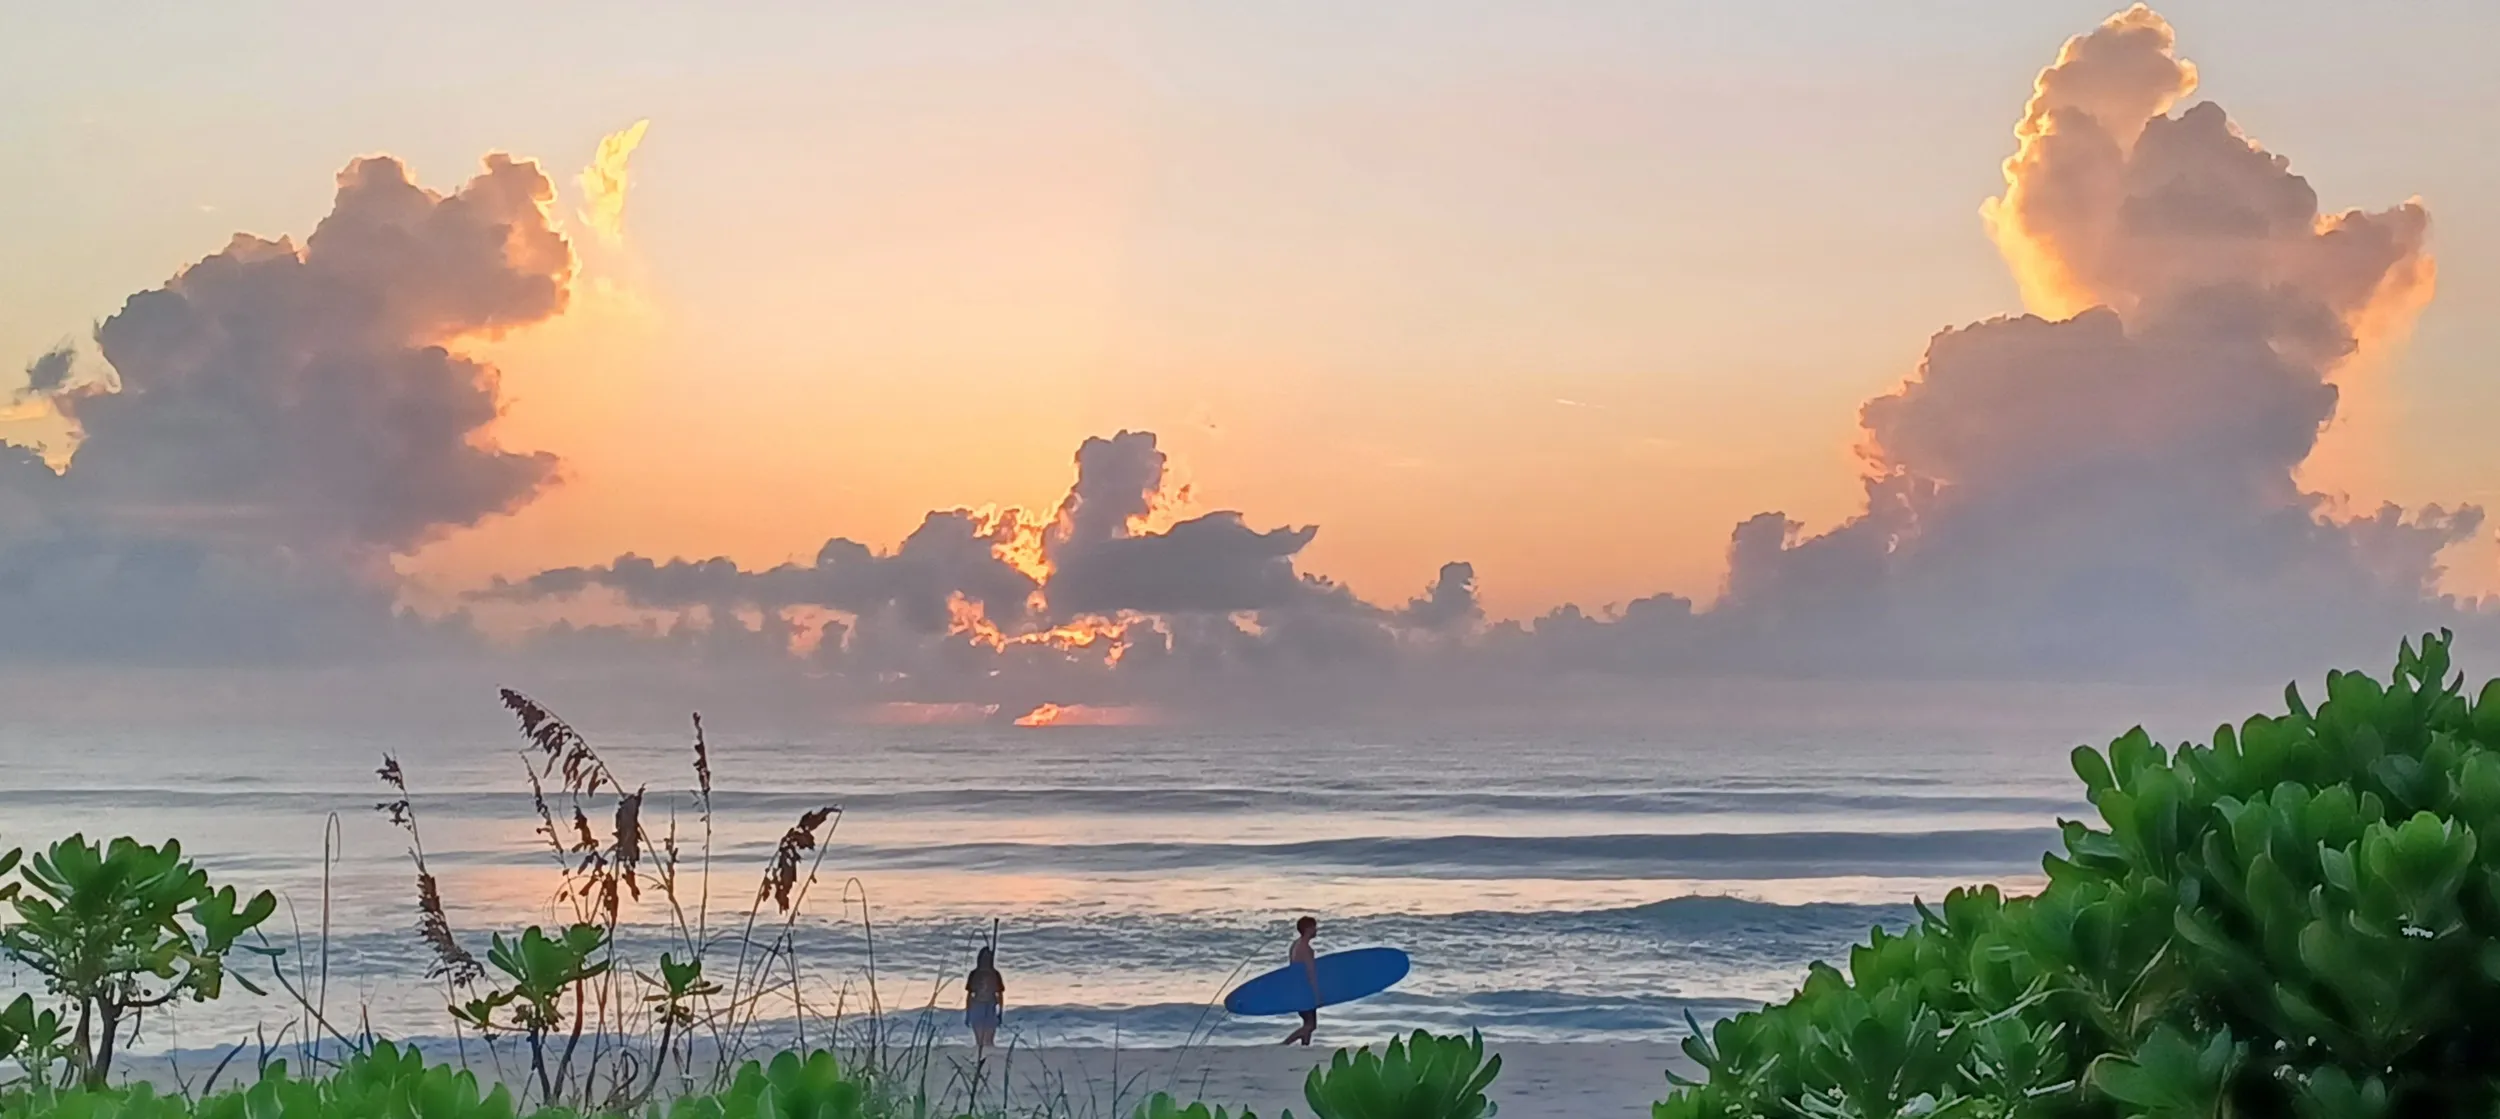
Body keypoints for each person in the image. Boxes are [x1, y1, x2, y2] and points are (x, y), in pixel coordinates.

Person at [1280, 915, 1320, 1046]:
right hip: (1305, 989)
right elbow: (1310, 973)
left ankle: (1305, 1046)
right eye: (1314, 927)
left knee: (1307, 1023)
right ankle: (1285, 1043)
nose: (1316, 930)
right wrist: (1316, 994)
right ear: (1308, 929)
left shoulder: (1295, 945)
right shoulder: (1305, 949)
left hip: (1296, 988)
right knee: (1310, 1025)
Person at [965, 945, 1005, 1053]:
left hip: (989, 1006)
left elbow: (1000, 994)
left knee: (988, 1040)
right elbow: (969, 995)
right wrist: (968, 1012)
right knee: (981, 1041)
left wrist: (1000, 1011)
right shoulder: (975, 974)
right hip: (978, 1006)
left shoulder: (995, 974)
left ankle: (988, 1059)